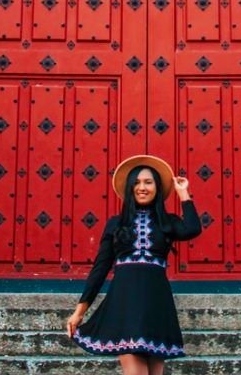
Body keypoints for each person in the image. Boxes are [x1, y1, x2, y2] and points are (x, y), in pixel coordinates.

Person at [66, 154, 202, 374]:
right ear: (129, 188)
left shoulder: (167, 223)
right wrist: (80, 311)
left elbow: (192, 229)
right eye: (137, 183)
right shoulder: (116, 224)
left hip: (157, 302)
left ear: (157, 188)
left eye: (148, 182)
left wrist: (183, 193)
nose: (142, 187)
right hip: (125, 301)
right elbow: (100, 269)